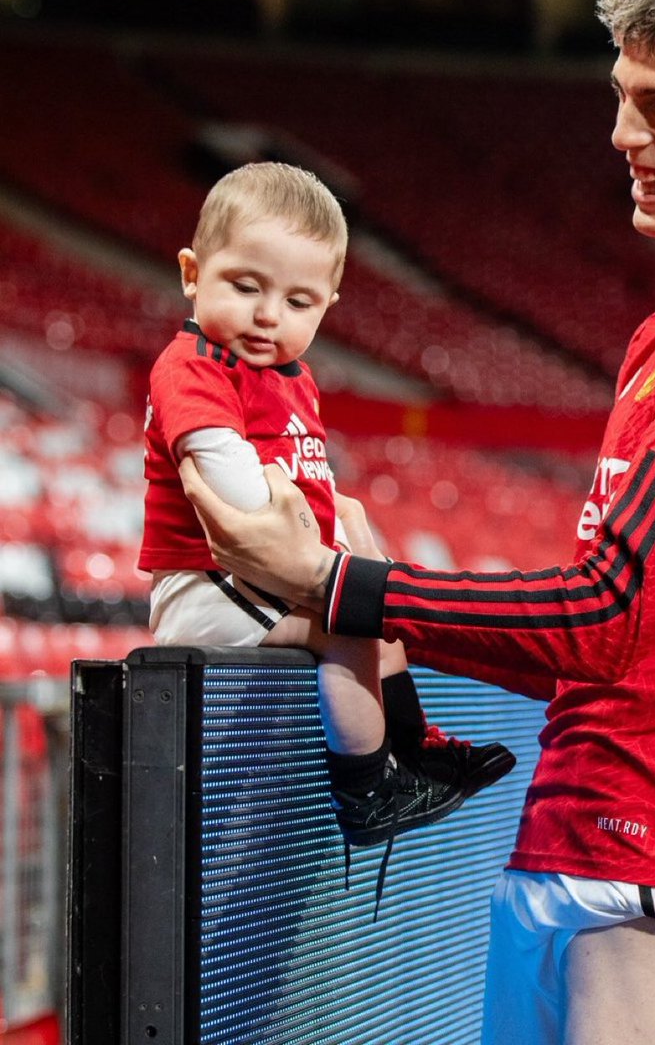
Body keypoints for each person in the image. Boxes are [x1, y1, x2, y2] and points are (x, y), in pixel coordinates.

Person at [177, 0, 655, 1044]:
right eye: (621, 97)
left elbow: (603, 618)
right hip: (590, 841)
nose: (623, 136)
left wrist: (342, 587)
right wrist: (358, 599)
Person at [138, 161, 514, 889]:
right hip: (208, 585)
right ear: (192, 272)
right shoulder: (194, 365)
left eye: (298, 300)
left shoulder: (292, 376)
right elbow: (233, 486)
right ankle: (367, 789)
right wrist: (321, 564)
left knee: (379, 595)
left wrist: (346, 555)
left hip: (265, 575)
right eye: (246, 286)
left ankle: (413, 748)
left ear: (329, 305)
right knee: (347, 623)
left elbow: (312, 483)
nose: (268, 314)